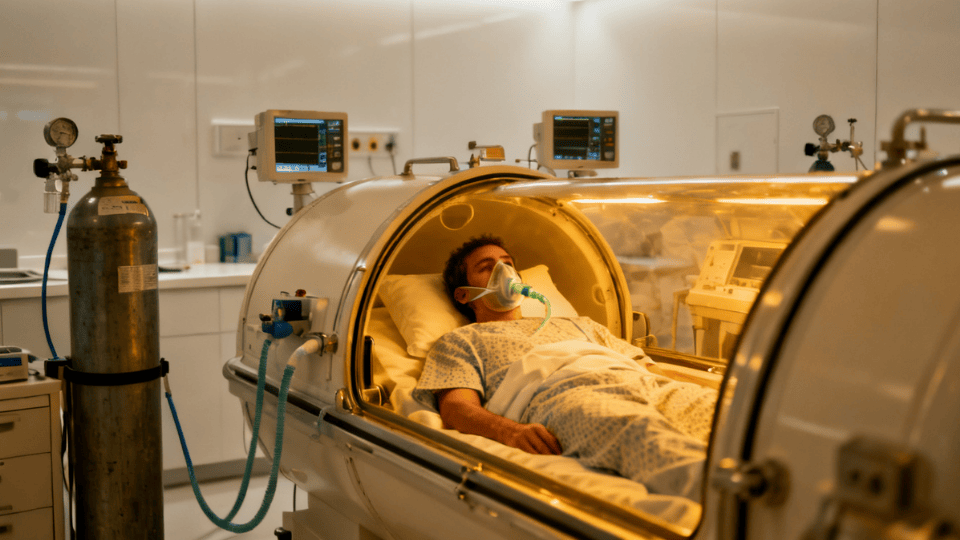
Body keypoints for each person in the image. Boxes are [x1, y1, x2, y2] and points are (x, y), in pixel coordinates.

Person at [412, 235, 718, 499]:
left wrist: (724, 387)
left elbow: (651, 369)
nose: (504, 271)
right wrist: (510, 431)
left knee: (720, 412)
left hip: (638, 381)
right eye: (486, 267)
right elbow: (455, 408)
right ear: (464, 294)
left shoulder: (579, 323)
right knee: (642, 434)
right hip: (565, 397)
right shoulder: (460, 341)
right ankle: (735, 506)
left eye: (507, 263)